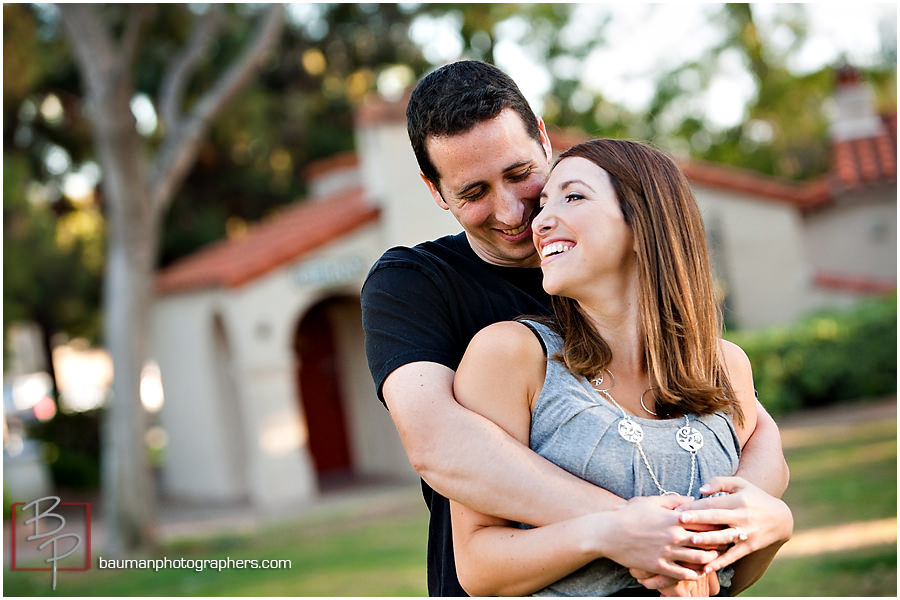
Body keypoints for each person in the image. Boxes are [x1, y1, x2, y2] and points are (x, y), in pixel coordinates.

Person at [361, 60, 790, 597]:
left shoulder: (615, 273)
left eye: (520, 175)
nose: (517, 212)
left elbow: (751, 425)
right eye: (474, 193)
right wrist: (631, 530)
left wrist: (758, 519)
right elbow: (437, 444)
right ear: (436, 192)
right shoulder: (417, 286)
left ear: (543, 138)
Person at [449, 138, 793, 596]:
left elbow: (727, 580)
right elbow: (477, 568)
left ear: (643, 221)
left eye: (573, 196)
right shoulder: (511, 356)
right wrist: (608, 535)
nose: (540, 220)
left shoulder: (725, 367)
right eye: (544, 202)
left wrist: (775, 527)